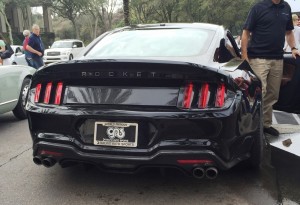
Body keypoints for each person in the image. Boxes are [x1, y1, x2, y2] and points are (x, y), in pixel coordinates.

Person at [241, 0, 300, 137]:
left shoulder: (286, 7)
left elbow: (289, 32)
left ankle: (265, 125)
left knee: (273, 94)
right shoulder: (258, 7)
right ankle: (251, 128)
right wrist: (245, 57)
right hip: (258, 58)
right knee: (259, 93)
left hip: (277, 58)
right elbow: (246, 32)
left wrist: (293, 48)